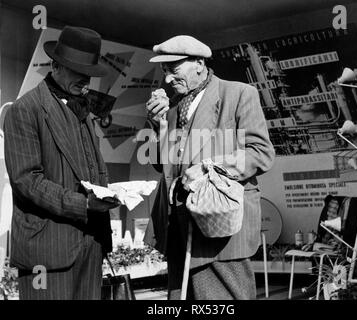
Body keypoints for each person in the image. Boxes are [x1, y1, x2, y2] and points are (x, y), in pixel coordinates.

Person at [143, 35, 275, 299]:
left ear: (199, 63)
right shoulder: (172, 108)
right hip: (178, 226)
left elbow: (261, 153)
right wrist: (158, 127)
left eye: (174, 69)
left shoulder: (238, 94)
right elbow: (162, 166)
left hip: (219, 225)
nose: (168, 79)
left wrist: (208, 169)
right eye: (165, 71)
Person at [4, 26, 120, 300]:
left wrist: (111, 195)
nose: (86, 81)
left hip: (90, 246)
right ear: (55, 66)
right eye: (79, 72)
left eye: (89, 74)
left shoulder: (84, 110)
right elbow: (26, 181)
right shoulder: (26, 110)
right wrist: (84, 204)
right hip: (48, 251)